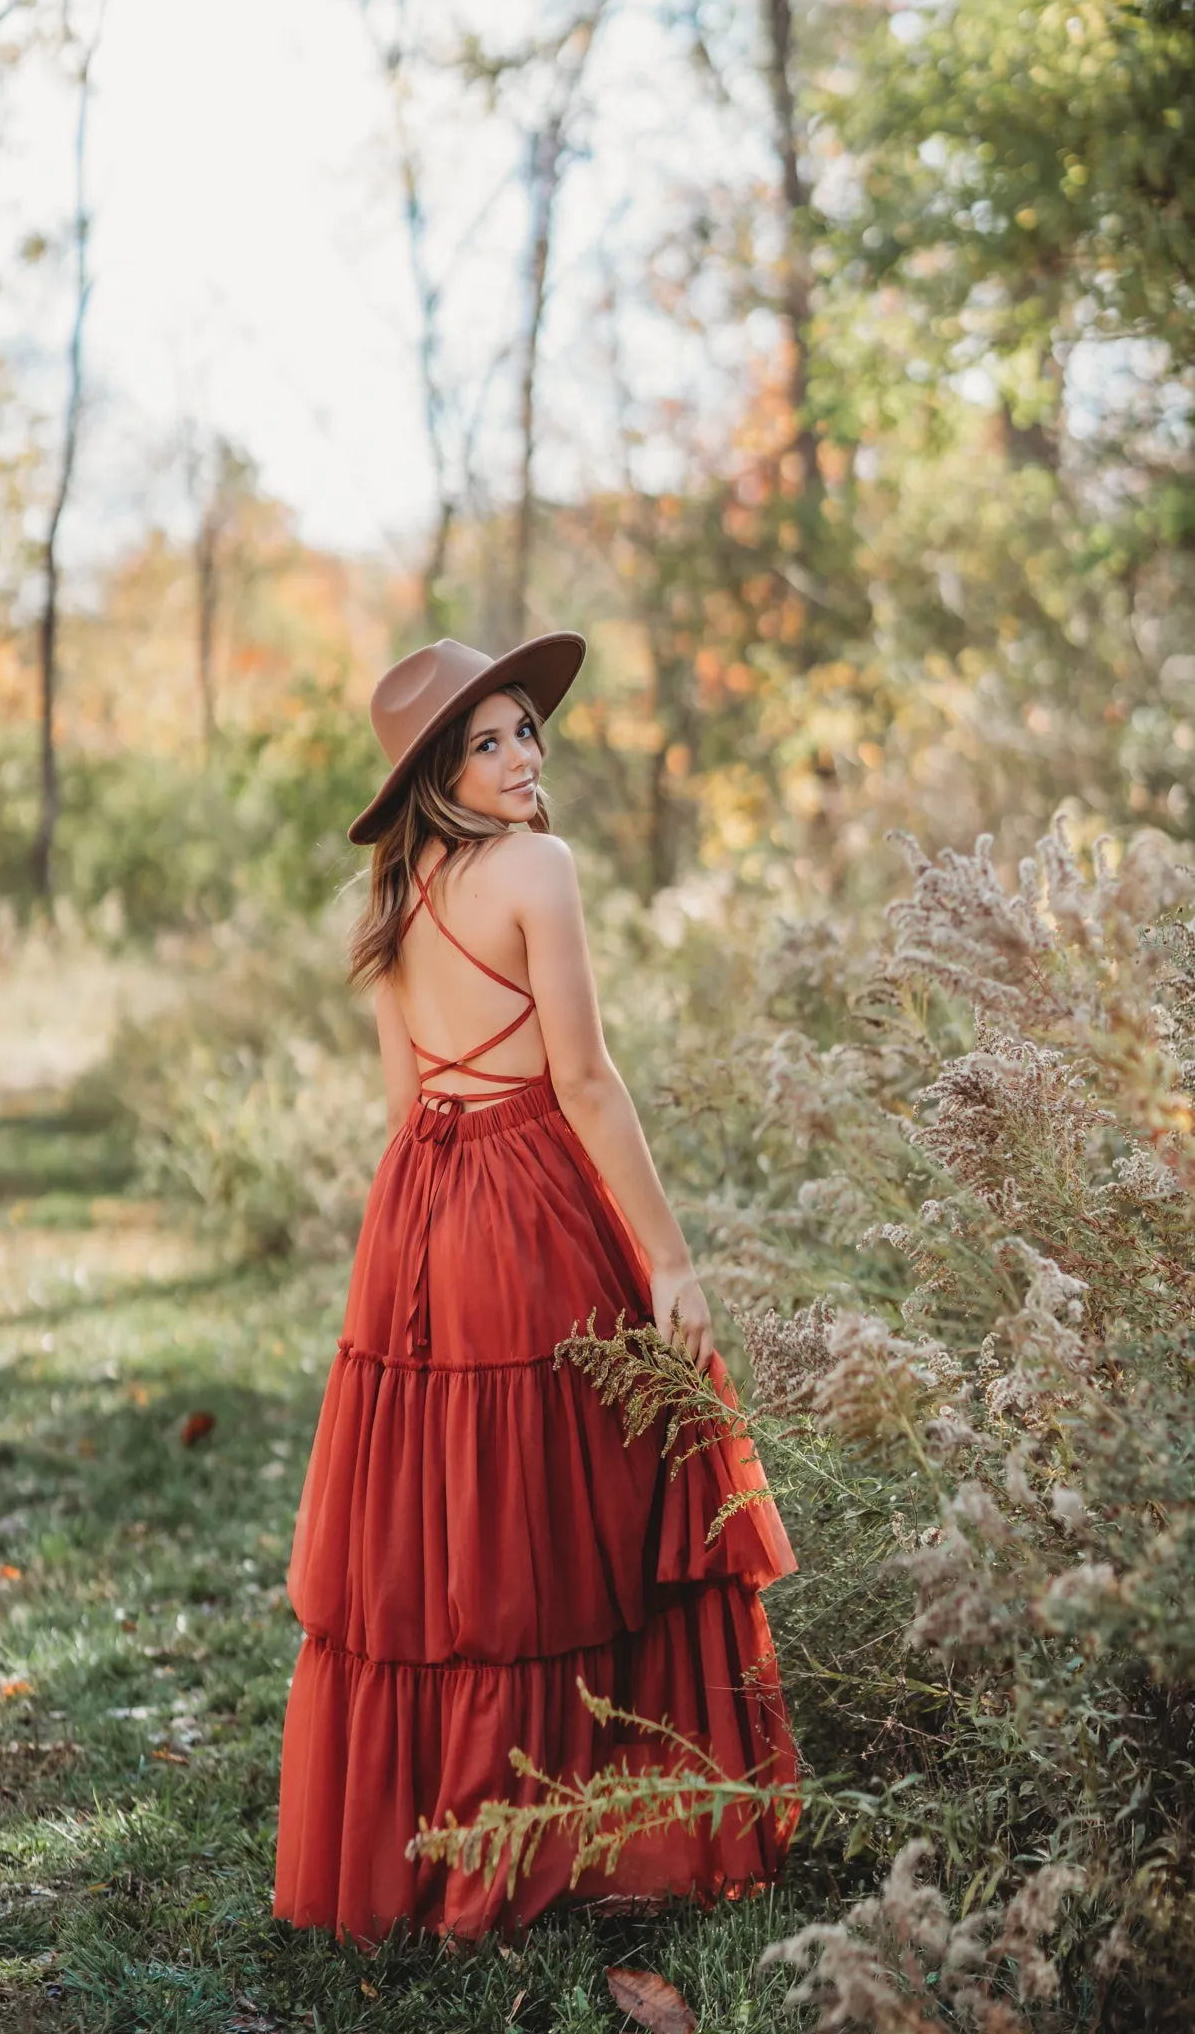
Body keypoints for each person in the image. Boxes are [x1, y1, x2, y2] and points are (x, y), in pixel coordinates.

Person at [274, 632, 798, 1942]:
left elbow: (405, 1107)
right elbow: (584, 1082)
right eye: (488, 741)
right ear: (436, 776)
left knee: (458, 1530)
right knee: (586, 1499)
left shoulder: (390, 909)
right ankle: (581, 1822)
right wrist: (668, 1258)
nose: (524, 757)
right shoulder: (541, 871)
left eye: (525, 729)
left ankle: (455, 1842)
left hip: (423, 1214)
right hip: (526, 1197)